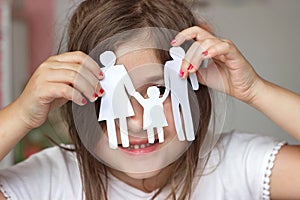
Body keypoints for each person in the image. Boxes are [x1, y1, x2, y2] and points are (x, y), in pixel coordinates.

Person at [0, 1, 299, 200]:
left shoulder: (235, 163)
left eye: (157, 88)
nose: (138, 122)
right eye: (110, 97)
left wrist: (255, 90)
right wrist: (21, 115)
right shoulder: (50, 179)